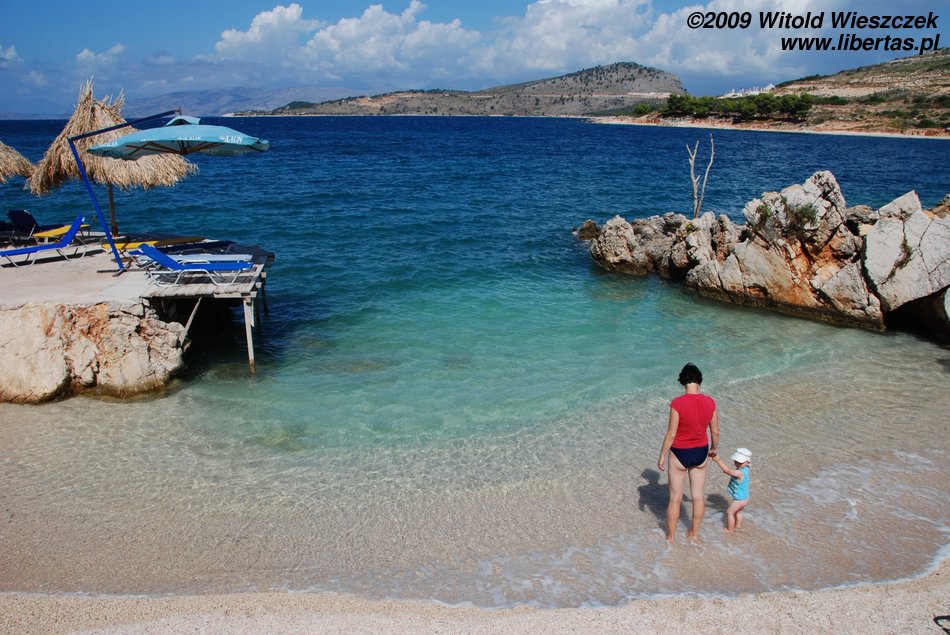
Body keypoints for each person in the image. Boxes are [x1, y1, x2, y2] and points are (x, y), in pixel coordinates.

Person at [657, 363, 719, 543]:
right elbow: (715, 431)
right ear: (699, 380)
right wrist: (714, 449)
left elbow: (671, 434)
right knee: (698, 497)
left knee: (675, 498)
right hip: (700, 452)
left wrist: (662, 455)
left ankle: (671, 537)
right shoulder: (710, 402)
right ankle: (694, 533)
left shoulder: (677, 403)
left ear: (682, 381)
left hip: (679, 453)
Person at [711, 448, 752, 532]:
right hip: (745, 497)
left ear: (748, 462)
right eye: (736, 461)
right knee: (738, 512)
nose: (737, 463)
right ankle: (738, 526)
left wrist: (718, 460)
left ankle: (729, 529)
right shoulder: (746, 469)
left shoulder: (739, 473)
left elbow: (727, 471)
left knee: (730, 512)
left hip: (739, 499)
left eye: (740, 462)